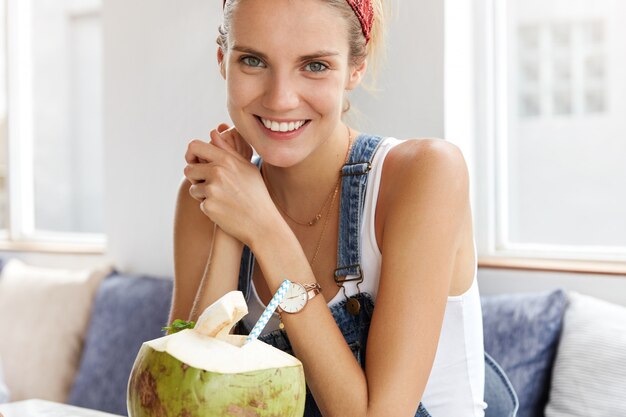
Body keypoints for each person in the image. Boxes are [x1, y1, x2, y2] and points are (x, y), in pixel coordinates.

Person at [169, 0, 491, 416]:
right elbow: (179, 403)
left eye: (315, 65)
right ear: (222, 61)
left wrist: (264, 228)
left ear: (356, 67)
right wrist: (230, 229)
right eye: (253, 60)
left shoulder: (426, 174)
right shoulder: (210, 197)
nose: (281, 99)